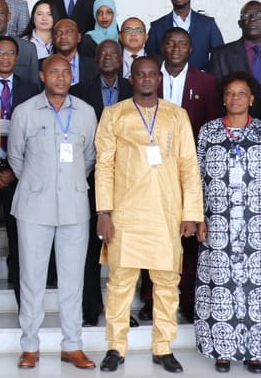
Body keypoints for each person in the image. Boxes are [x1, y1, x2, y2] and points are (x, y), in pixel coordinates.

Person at [95, 56, 203, 373]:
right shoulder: (114, 115)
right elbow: (103, 167)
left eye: (151, 74)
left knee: (167, 284)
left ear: (159, 78)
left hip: (166, 214)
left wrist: (191, 213)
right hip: (125, 215)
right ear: (132, 78)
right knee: (119, 285)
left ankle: (163, 347)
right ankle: (115, 347)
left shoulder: (177, 115)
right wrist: (104, 212)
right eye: (140, 74)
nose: (145, 79)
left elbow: (189, 167)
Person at [9, 54, 98, 371]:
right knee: (32, 280)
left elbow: (88, 158)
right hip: (34, 206)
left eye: (66, 72)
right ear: (42, 77)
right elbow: (17, 158)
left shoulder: (87, 113)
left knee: (72, 281)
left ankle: (72, 346)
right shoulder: (25, 112)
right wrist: (40, 182)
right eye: (54, 72)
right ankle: (30, 346)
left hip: (74, 207)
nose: (61, 77)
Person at [195, 71, 261, 373]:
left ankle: (255, 351)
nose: (235, 98)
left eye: (242, 93)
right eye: (230, 93)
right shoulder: (208, 132)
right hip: (217, 222)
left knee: (256, 286)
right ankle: (223, 349)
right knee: (222, 284)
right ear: (223, 98)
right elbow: (196, 177)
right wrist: (198, 217)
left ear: (252, 98)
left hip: (258, 223)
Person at [146, 26, 221, 322]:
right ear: (162, 47)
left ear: (191, 50)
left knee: (188, 238)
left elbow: (212, 126)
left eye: (182, 44)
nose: (176, 48)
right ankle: (151, 297)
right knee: (154, 236)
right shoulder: (149, 76)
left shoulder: (206, 82)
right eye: (170, 43)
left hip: (191, 171)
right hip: (152, 172)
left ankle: (187, 300)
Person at [70, 38, 132, 326]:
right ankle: (90, 307)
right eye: (102, 54)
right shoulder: (79, 92)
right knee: (90, 247)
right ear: (95, 60)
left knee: (126, 245)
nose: (108, 57)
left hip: (131, 179)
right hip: (91, 176)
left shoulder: (135, 91)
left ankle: (123, 309)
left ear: (122, 59)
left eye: (113, 53)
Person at [0, 35, 40, 304]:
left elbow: (36, 135)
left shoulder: (31, 88)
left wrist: (15, 170)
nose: (4, 57)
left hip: (18, 174)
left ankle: (21, 298)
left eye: (10, 53)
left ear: (17, 58)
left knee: (19, 239)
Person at [147, 0, 225, 71]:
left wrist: (206, 74)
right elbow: (150, 55)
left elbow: (220, 54)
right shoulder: (157, 26)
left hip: (199, 80)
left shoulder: (208, 24)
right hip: (167, 80)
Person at [45, 19, 98, 86]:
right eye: (58, 33)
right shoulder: (41, 66)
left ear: (79, 37)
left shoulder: (94, 66)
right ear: (53, 38)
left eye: (69, 32)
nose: (63, 36)